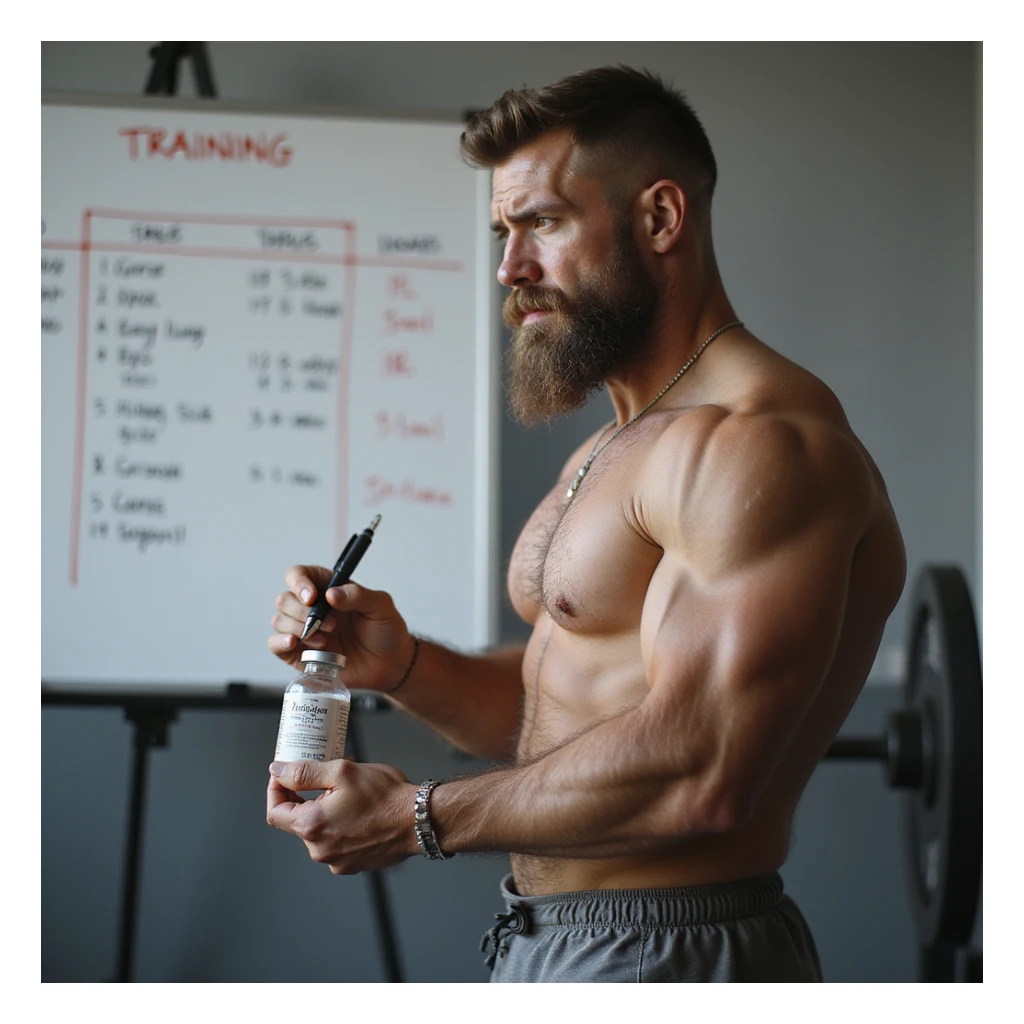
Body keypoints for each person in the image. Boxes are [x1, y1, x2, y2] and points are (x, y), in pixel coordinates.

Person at [265, 65, 907, 983]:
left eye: (544, 223)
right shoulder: (613, 446)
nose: (509, 269)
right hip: (549, 939)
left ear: (661, 218)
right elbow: (558, 721)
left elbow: (701, 772)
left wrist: (418, 818)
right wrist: (401, 665)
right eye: (504, 232)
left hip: (670, 951)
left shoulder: (759, 445)